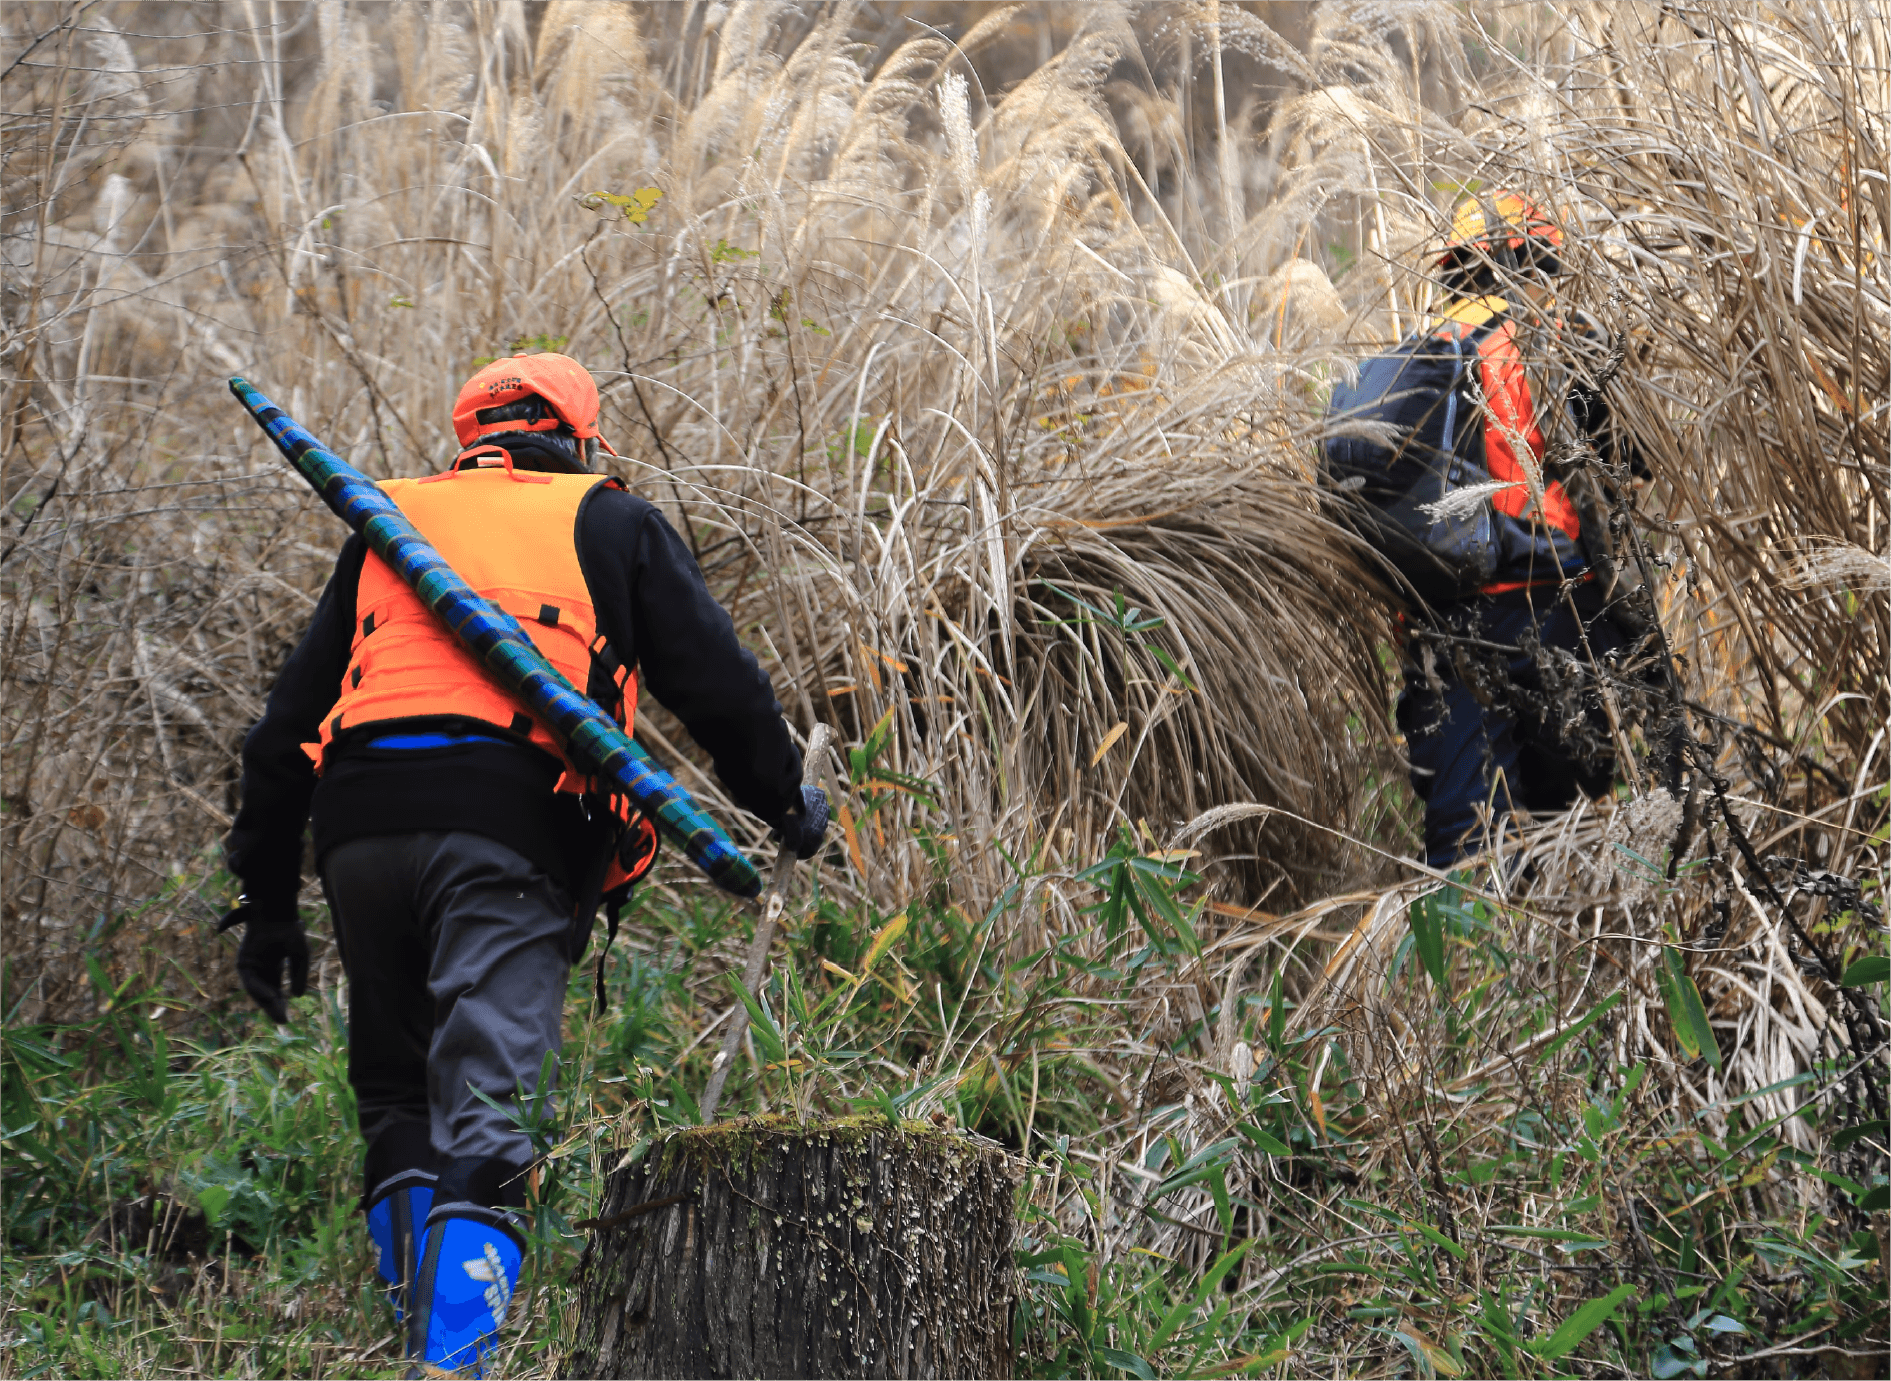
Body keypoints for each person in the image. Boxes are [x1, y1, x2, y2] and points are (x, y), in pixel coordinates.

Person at [220, 353, 829, 1374]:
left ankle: (413, 1338)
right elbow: (716, 683)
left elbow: (281, 738)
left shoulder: (386, 525)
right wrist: (783, 800)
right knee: (487, 1104)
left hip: (360, 830)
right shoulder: (609, 518)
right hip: (510, 828)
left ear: (470, 436)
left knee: (399, 1097)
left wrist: (272, 902)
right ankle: (453, 1365)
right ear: (582, 437)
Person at [1323, 192, 1648, 869]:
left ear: (1453, 271)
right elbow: (1632, 462)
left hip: (1442, 624)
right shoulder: (1558, 341)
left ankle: (1473, 963)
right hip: (1557, 606)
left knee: (1467, 840)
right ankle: (1574, 961)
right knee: (1572, 824)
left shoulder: (1407, 360)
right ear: (1538, 260)